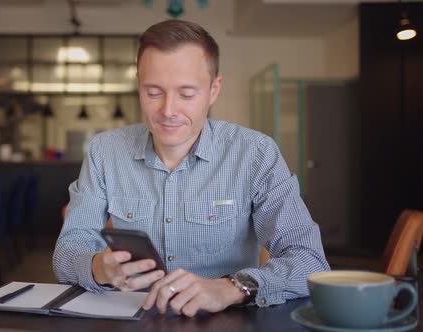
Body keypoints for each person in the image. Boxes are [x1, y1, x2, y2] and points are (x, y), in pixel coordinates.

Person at [53, 19, 330, 317]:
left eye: (186, 94)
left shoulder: (255, 154)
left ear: (213, 90)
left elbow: (309, 261)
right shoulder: (104, 152)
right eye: (153, 92)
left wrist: (230, 287)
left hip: (225, 321)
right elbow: (67, 253)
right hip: (134, 319)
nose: (168, 110)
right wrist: (98, 268)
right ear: (138, 86)